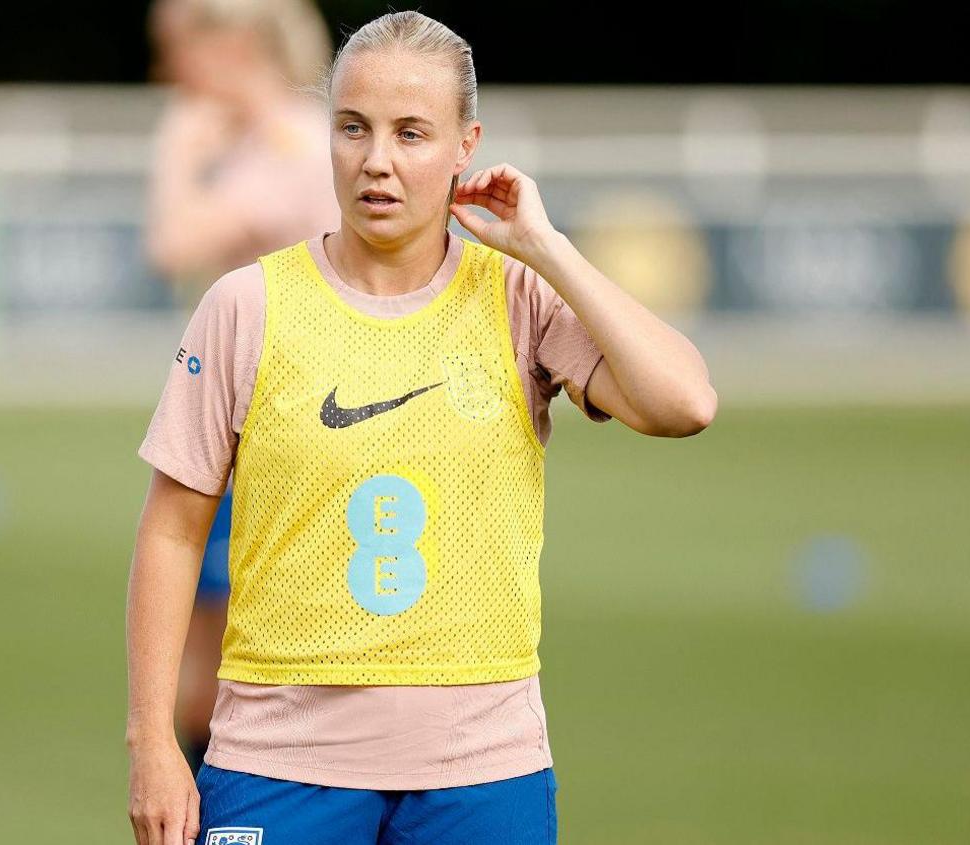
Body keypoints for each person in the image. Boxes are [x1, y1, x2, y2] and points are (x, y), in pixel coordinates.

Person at [127, 11, 717, 845]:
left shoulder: (518, 298)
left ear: (465, 145)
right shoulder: (245, 306)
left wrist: (546, 247)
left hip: (482, 774)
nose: (378, 161)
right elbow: (171, 532)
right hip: (277, 767)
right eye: (353, 128)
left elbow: (685, 402)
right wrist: (153, 742)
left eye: (412, 134)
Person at [144, 0, 340, 776]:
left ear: (230, 47)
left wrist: (177, 146)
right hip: (261, 436)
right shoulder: (285, 143)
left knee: (223, 691)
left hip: (280, 445)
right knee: (210, 686)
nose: (169, 75)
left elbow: (171, 244)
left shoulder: (290, 149)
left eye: (177, 51)